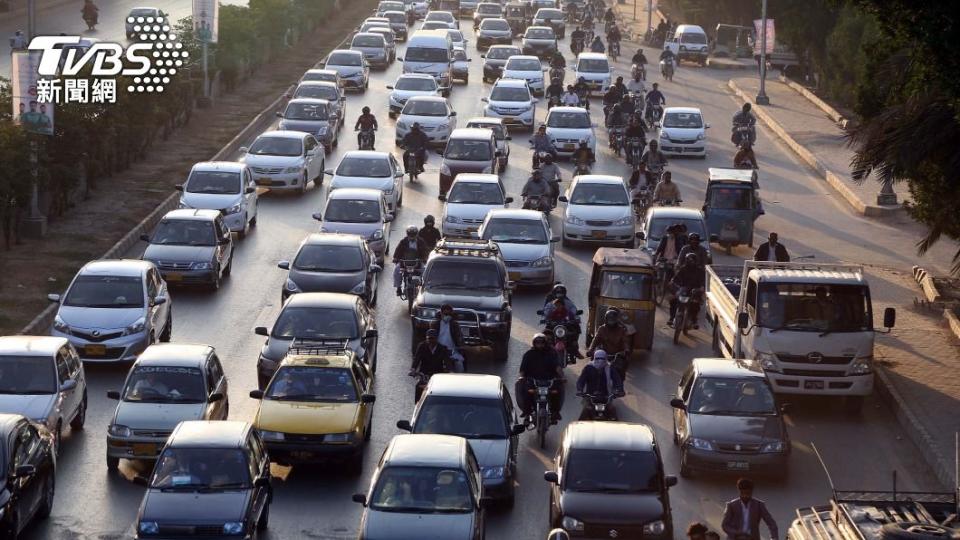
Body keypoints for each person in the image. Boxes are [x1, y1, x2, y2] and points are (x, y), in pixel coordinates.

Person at [516, 333, 564, 422]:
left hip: (548, 381)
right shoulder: (528, 354)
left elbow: (557, 367)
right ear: (534, 343)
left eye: (541, 343)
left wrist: (562, 377)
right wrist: (521, 377)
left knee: (557, 392)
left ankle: (555, 412)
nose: (540, 345)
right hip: (533, 381)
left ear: (545, 343)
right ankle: (527, 413)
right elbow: (522, 369)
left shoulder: (551, 354)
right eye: (537, 343)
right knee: (526, 392)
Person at [576, 350, 624, 419]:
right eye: (598, 358)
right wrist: (579, 390)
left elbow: (617, 380)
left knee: (612, 411)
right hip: (590, 396)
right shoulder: (588, 368)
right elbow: (581, 380)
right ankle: (579, 428)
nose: (600, 361)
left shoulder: (610, 368)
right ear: (594, 358)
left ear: (606, 358)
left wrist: (620, 390)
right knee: (585, 411)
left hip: (606, 396)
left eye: (602, 358)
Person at [410, 330, 451, 402]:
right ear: (426, 338)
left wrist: (449, 370)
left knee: (443, 390)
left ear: (437, 339)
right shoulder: (422, 346)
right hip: (424, 374)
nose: (431, 341)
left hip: (437, 375)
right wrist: (413, 369)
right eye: (429, 339)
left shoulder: (443, 348)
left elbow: (447, 362)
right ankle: (417, 406)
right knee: (418, 387)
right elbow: (417, 359)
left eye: (433, 338)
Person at [668, 252, 706, 326]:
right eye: (688, 260)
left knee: (695, 304)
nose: (690, 262)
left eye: (692, 260)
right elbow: (676, 278)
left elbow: (703, 281)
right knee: (673, 301)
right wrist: (672, 282)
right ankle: (672, 318)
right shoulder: (683, 269)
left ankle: (694, 320)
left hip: (695, 291)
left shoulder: (700, 271)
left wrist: (701, 287)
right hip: (683, 290)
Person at [392, 226, 430, 295]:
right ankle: (398, 288)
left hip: (417, 262)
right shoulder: (403, 241)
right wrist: (395, 258)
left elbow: (426, 250)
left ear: (416, 234)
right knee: (397, 270)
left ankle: (424, 288)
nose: (412, 236)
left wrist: (425, 258)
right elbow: (398, 250)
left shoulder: (421, 241)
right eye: (410, 235)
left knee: (425, 271)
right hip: (404, 262)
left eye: (413, 234)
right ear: (407, 234)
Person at [435, 304, 465, 372]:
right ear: (441, 314)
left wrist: (461, 349)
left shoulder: (455, 325)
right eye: (445, 314)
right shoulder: (435, 324)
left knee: (460, 366)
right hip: (439, 351)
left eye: (449, 314)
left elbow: (459, 338)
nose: (447, 316)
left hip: (452, 351)